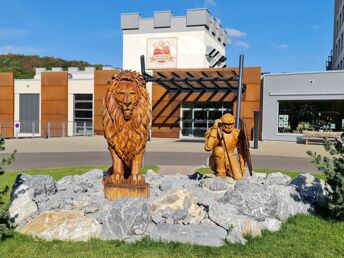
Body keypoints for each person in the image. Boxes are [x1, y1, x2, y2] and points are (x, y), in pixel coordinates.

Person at [204, 113, 245, 180]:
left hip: (231, 156)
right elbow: (208, 148)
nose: (228, 126)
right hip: (217, 159)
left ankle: (228, 172)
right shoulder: (214, 131)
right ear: (221, 123)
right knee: (219, 149)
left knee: (238, 177)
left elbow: (241, 152)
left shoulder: (236, 133)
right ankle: (220, 173)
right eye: (226, 124)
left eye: (231, 124)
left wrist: (242, 167)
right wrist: (214, 128)